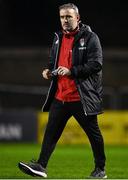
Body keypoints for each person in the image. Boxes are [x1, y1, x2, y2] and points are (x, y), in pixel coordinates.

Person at [18, 3, 107, 179]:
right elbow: (53, 61)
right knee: (51, 133)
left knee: (93, 135)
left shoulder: (90, 37)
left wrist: (71, 71)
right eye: (62, 17)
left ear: (77, 18)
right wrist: (48, 71)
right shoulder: (58, 37)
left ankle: (100, 169)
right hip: (61, 97)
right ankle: (41, 166)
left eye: (68, 17)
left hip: (81, 98)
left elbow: (96, 64)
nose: (65, 20)